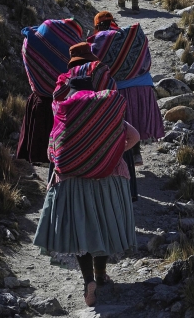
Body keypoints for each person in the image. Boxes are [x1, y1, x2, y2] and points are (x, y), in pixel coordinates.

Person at [34, 42, 139, 307]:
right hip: (108, 174)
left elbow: (51, 151)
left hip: (72, 179)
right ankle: (102, 275)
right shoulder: (109, 106)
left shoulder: (63, 106)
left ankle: (87, 281)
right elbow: (134, 137)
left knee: (82, 232)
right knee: (102, 226)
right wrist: (110, 150)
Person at [89, 11, 164, 165]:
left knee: (123, 121)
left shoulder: (99, 41)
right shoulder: (130, 38)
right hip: (143, 87)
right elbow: (146, 60)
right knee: (135, 119)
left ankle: (122, 158)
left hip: (119, 89)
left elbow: (95, 67)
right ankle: (136, 154)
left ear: (97, 26)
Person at [16, 18, 83, 164]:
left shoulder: (32, 45)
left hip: (39, 103)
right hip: (64, 108)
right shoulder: (75, 52)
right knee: (60, 156)